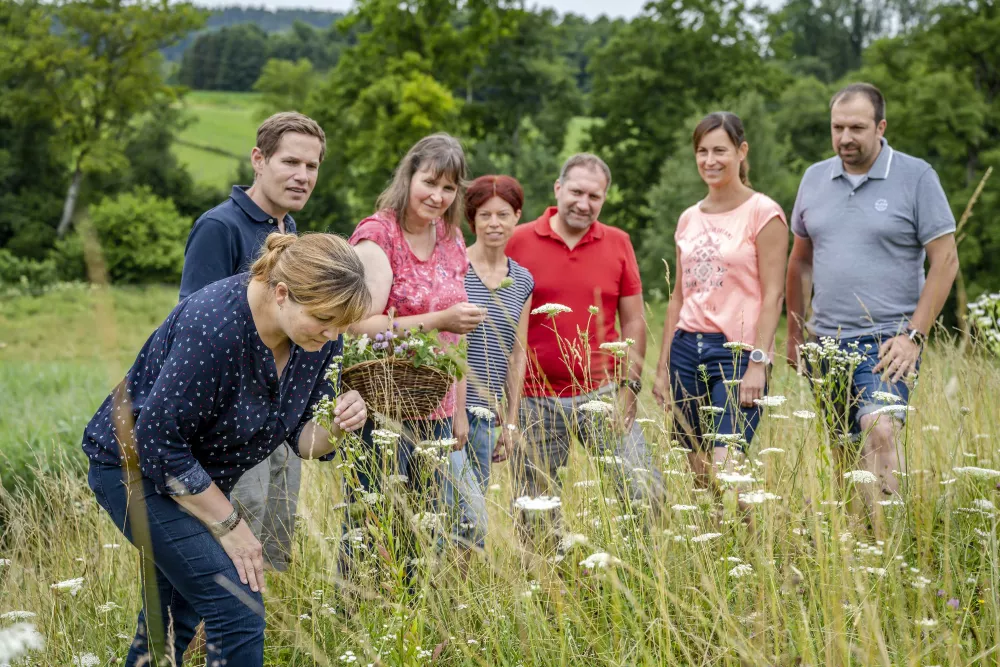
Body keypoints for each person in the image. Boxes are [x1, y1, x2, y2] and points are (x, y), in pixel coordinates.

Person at [82, 233, 372, 667]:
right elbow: (159, 445)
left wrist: (339, 423)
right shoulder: (214, 325)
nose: (333, 335)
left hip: (197, 478)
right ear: (281, 293)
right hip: (133, 470)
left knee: (169, 622)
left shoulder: (318, 338)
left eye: (341, 326)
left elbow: (306, 441)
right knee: (237, 608)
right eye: (325, 320)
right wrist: (231, 525)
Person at [786, 82, 959, 496]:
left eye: (857, 128)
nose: (845, 138)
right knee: (844, 451)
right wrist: (796, 335)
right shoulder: (814, 178)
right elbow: (801, 261)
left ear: (881, 126)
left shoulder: (916, 176)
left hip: (888, 341)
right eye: (837, 127)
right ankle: (855, 547)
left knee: (879, 429)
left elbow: (946, 260)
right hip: (827, 341)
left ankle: (891, 548)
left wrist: (915, 335)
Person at [178, 111, 326, 572]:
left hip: (280, 419)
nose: (303, 176)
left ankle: (260, 639)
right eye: (290, 162)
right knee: (234, 545)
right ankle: (209, 642)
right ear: (258, 160)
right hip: (232, 423)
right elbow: (191, 327)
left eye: (313, 166)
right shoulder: (219, 226)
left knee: (275, 543)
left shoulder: (289, 232)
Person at [348, 133, 487, 550]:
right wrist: (438, 319)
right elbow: (358, 325)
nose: (438, 196)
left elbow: (456, 333)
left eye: (448, 188)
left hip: (439, 409)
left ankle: (432, 611)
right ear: (408, 177)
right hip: (382, 408)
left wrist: (459, 410)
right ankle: (355, 610)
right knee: (375, 529)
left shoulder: (451, 237)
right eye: (430, 182)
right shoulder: (379, 236)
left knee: (461, 525)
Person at [505, 153, 662, 513]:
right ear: (558, 188)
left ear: (604, 199)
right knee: (535, 510)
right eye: (576, 192)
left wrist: (630, 387)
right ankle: (547, 570)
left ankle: (628, 567)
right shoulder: (517, 241)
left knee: (644, 492)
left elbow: (634, 321)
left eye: (595, 197)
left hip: (602, 391)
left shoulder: (618, 242)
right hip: (534, 396)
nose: (583, 203)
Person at [651, 112, 787, 481]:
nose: (710, 161)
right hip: (685, 351)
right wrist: (663, 367)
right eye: (701, 151)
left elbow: (774, 295)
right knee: (699, 474)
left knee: (729, 467)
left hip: (737, 355)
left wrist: (758, 362)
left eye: (720, 150)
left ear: (742, 151)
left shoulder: (764, 213)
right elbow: (678, 297)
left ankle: (758, 540)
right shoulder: (688, 218)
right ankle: (719, 542)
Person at [463, 175, 534, 494]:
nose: (494, 223)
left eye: (503, 214)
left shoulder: (522, 280)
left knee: (472, 517)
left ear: (517, 216)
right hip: (445, 411)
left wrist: (510, 420)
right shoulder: (454, 268)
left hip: (486, 415)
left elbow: (517, 353)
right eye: (485, 215)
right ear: (472, 220)